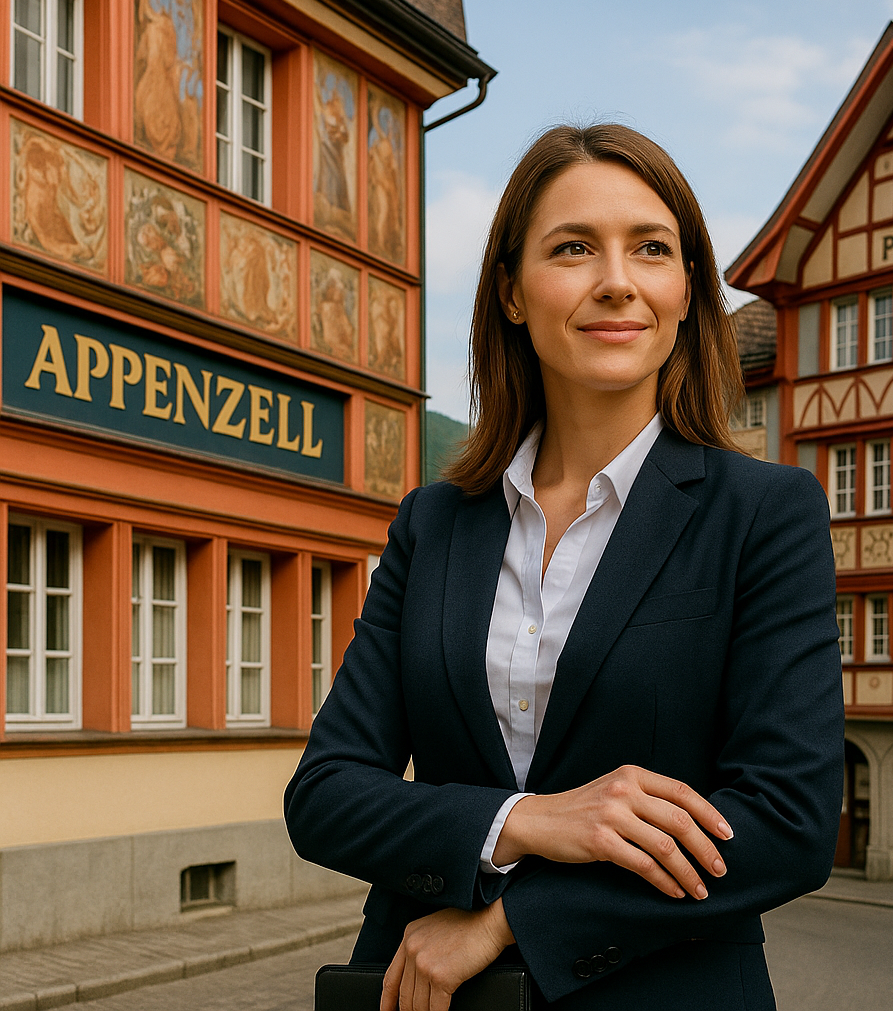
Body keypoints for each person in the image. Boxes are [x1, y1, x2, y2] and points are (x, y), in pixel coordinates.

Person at [284, 124, 845, 1011]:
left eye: (652, 249)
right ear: (512, 291)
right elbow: (324, 795)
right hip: (423, 997)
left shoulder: (765, 514)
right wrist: (521, 823)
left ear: (686, 290)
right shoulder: (433, 524)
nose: (616, 280)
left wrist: (511, 921)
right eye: (574, 248)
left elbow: (789, 822)